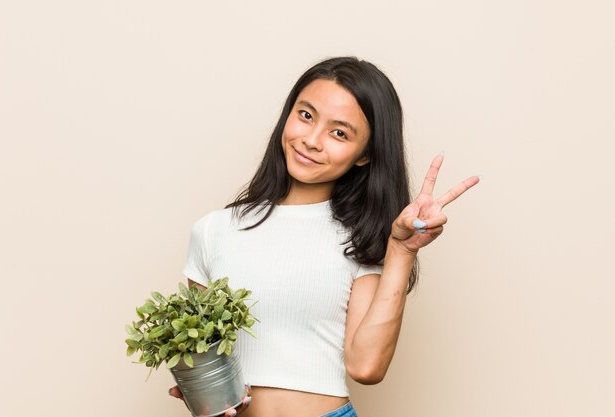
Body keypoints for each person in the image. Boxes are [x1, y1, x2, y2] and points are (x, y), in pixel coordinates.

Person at [168, 56, 480, 417]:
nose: (311, 140)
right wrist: (200, 391)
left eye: (339, 133)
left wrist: (401, 250)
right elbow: (202, 357)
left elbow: (366, 367)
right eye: (305, 115)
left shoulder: (360, 240)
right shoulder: (213, 231)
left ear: (365, 155)